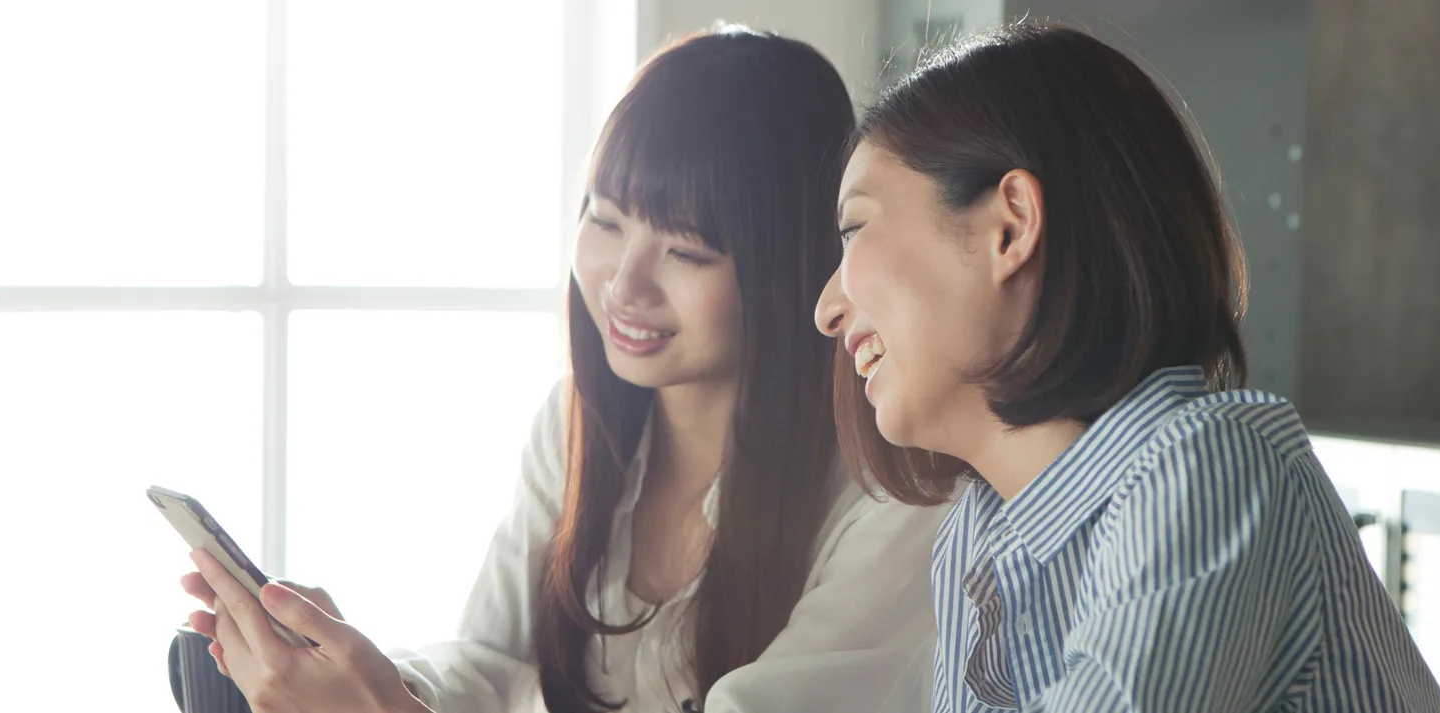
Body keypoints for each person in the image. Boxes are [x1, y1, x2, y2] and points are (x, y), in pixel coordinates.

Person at [178, 25, 948, 713]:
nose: (623, 285)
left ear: (791, 267)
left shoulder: (894, 483)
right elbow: (490, 660)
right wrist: (371, 675)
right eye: (605, 220)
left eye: (686, 251)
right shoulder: (576, 425)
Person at [811, 20, 1440, 713]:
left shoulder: (1212, 463)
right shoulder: (977, 534)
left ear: (1010, 227)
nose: (827, 307)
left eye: (855, 230)